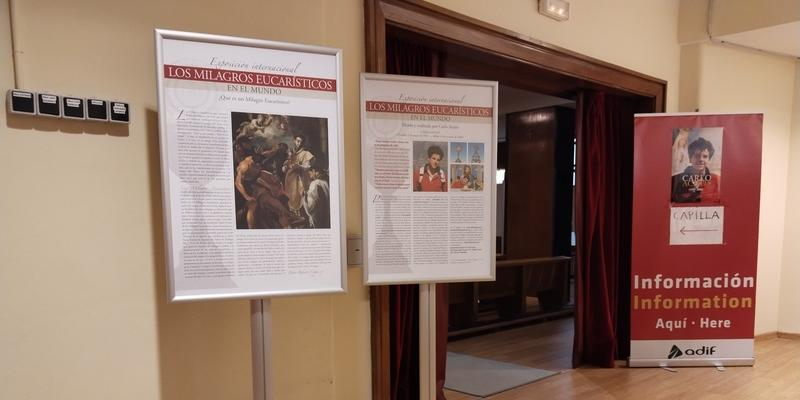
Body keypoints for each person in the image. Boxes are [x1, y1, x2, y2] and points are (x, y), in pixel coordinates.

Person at [671, 137, 720, 203]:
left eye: (705, 156)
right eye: (697, 156)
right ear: (690, 158)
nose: (701, 159)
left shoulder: (717, 180)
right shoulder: (675, 180)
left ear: (709, 159)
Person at [283, 134, 315, 215]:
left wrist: (299, 166)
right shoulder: (291, 153)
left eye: (301, 142)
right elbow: (285, 167)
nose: (299, 143)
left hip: (300, 179)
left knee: (301, 197)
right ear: (294, 141)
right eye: (298, 141)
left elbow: (307, 166)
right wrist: (286, 166)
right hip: (290, 181)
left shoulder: (305, 153)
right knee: (290, 198)